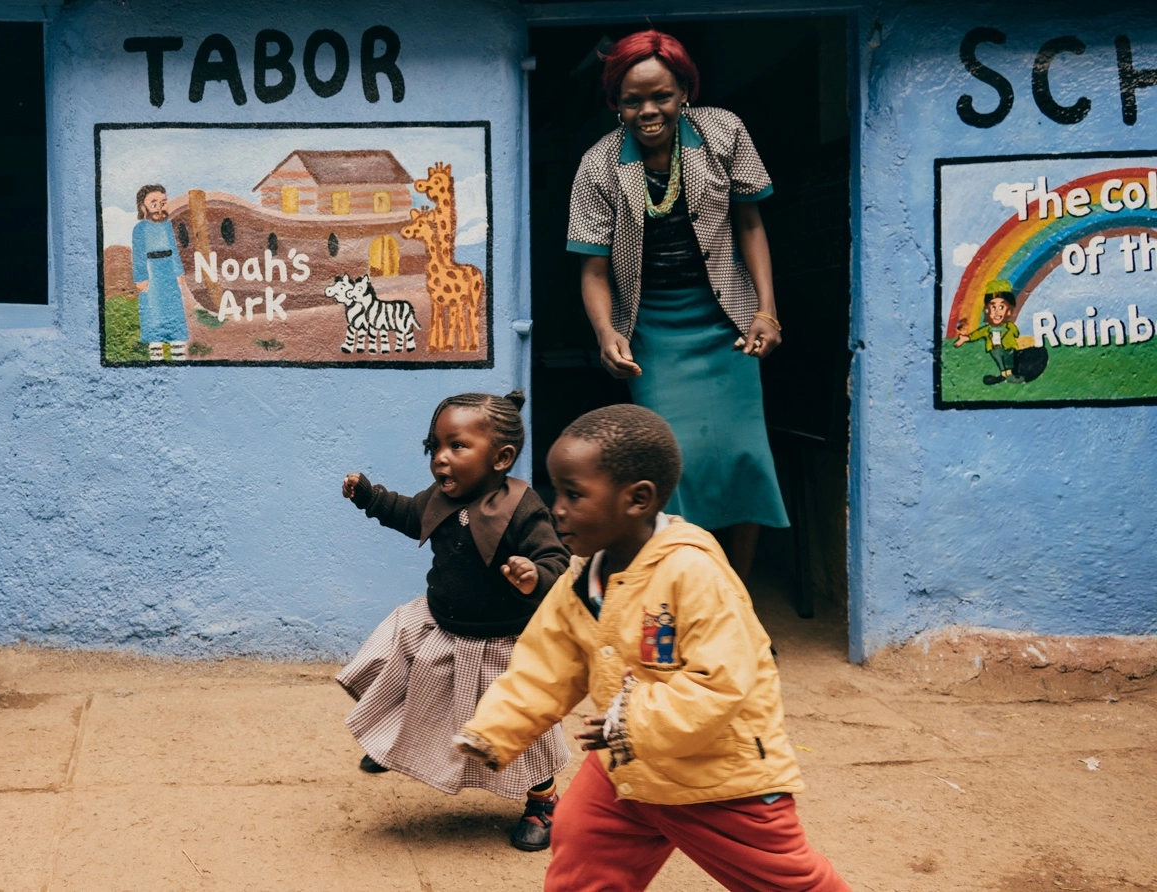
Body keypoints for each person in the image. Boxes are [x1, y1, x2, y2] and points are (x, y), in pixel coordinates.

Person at [454, 405, 848, 891]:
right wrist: (495, 729)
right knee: (581, 844)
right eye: (557, 490)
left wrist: (630, 722)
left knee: (790, 883)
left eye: (574, 494)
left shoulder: (693, 572)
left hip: (719, 777)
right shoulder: (583, 578)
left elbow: (720, 683)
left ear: (637, 499)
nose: (557, 508)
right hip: (628, 769)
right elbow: (545, 663)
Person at [566, 29, 788, 581]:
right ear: (615, 103)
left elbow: (751, 222)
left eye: (661, 96)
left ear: (684, 91)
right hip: (653, 332)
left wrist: (767, 310)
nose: (648, 111)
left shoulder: (723, 131)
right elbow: (592, 270)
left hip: (727, 322)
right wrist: (605, 333)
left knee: (744, 459)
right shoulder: (596, 167)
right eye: (632, 100)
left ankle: (735, 596)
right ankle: (684, 592)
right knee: (672, 467)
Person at [336, 391, 572, 851]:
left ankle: (542, 799)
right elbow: (407, 513)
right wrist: (369, 496)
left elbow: (557, 561)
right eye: (434, 448)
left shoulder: (524, 509)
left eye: (457, 447)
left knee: (519, 725)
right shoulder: (442, 499)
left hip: (502, 644)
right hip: (440, 625)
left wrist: (534, 575)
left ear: (501, 457)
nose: (441, 459)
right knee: (409, 683)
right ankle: (393, 743)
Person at [131, 184, 191, 361]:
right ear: (143, 207)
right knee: (153, 313)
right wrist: (141, 277)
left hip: (169, 273)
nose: (159, 207)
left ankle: (178, 354)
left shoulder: (168, 226)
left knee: (174, 312)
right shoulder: (140, 229)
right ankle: (156, 358)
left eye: (163, 202)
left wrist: (178, 271)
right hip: (151, 274)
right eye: (154, 203)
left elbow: (174, 249)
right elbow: (138, 255)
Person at [954, 281, 1024, 385]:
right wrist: (966, 338)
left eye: (1001, 307)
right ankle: (1003, 375)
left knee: (1008, 360)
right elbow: (977, 334)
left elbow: (1016, 333)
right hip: (994, 349)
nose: (997, 311)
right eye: (993, 307)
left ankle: (1009, 375)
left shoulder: (1009, 326)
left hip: (1008, 347)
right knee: (1000, 360)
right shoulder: (987, 329)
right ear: (987, 311)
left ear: (1008, 311)